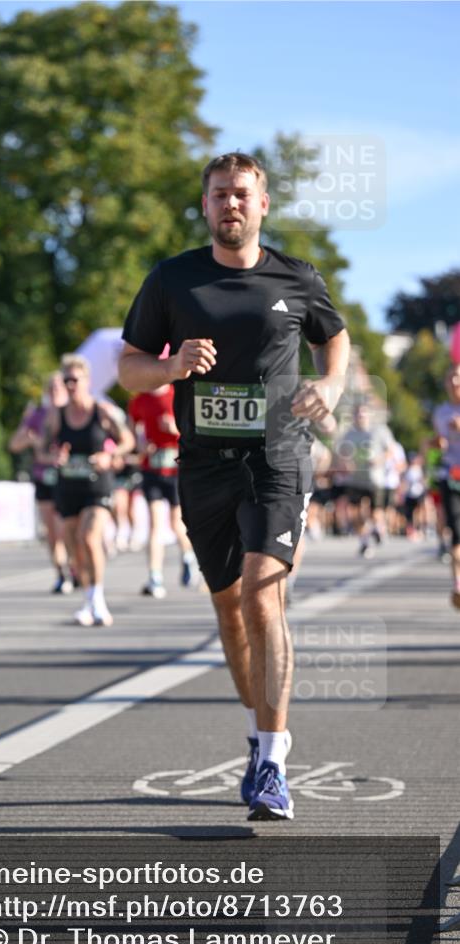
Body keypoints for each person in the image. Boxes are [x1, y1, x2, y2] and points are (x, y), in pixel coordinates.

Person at [119, 152, 349, 821]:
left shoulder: (295, 277)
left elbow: (333, 340)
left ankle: (273, 760)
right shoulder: (172, 280)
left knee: (261, 596)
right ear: (204, 204)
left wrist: (328, 384)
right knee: (227, 608)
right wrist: (170, 365)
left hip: (277, 457)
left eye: (242, 195)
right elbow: (128, 367)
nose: (231, 205)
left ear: (263, 204)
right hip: (203, 465)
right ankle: (257, 736)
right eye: (219, 194)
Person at [46, 355, 134, 626]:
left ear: (87, 381)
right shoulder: (57, 415)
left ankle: (98, 599)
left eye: (76, 380)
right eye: (67, 380)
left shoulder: (102, 411)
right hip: (68, 486)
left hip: (98, 485)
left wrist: (111, 455)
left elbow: (128, 440)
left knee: (90, 536)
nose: (71, 385)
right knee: (74, 547)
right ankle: (88, 600)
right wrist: (54, 456)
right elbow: (44, 448)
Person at [128, 381, 198, 598]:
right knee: (155, 524)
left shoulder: (178, 395)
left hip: (176, 469)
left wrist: (174, 430)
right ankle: (155, 576)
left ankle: (188, 556)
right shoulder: (139, 399)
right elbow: (132, 431)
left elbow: (194, 431)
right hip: (152, 469)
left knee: (176, 523)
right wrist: (140, 446)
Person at [9, 372, 74, 594]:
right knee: (52, 531)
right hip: (43, 477)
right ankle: (61, 574)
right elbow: (14, 444)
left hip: (68, 479)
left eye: (60, 386)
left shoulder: (73, 413)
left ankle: (74, 567)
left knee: (66, 529)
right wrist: (29, 438)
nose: (56, 389)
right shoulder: (37, 414)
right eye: (52, 386)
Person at [334, 403, 395, 558]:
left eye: (363, 414)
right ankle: (364, 542)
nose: (360, 418)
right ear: (354, 417)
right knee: (355, 512)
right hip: (355, 479)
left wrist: (379, 460)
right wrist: (346, 463)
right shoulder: (349, 434)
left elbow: (391, 450)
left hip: (375, 478)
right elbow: (342, 453)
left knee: (376, 512)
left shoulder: (379, 431)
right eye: (358, 415)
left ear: (369, 416)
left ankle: (378, 528)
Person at [433, 363, 460, 608]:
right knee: (456, 531)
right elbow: (437, 441)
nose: (454, 382)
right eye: (450, 377)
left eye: (458, 377)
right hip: (450, 475)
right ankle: (457, 584)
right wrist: (437, 444)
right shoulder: (441, 412)